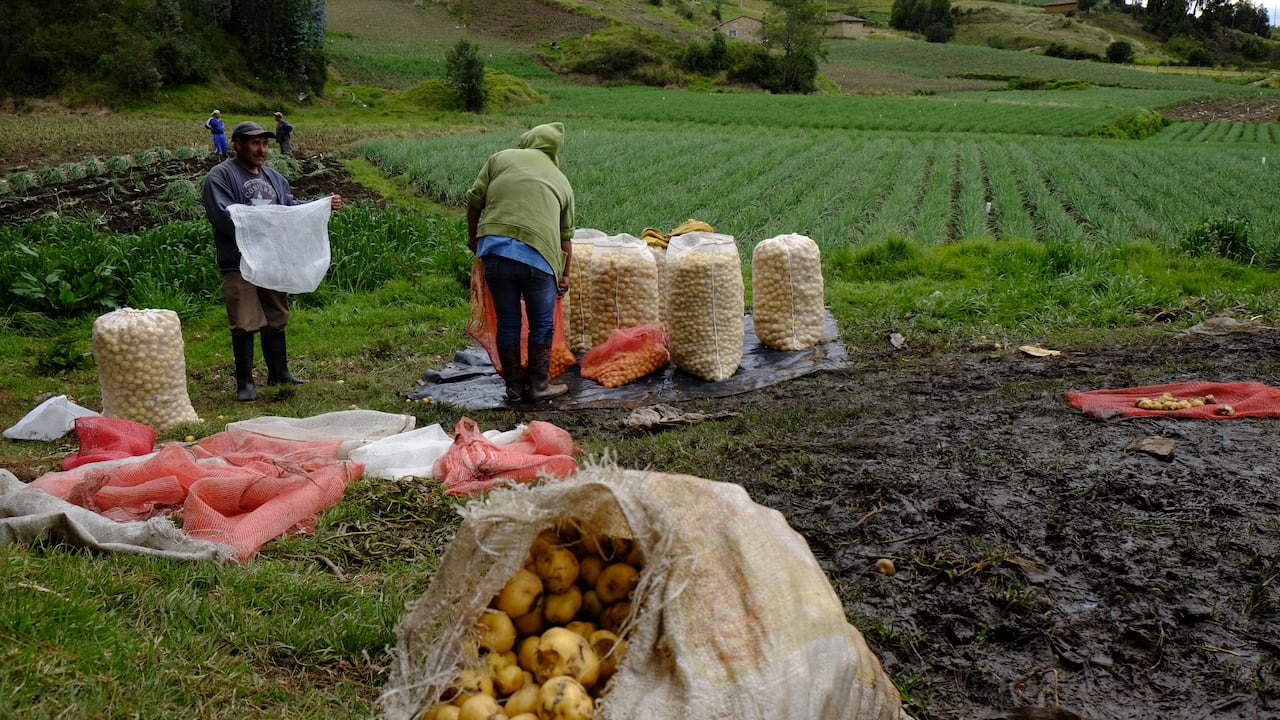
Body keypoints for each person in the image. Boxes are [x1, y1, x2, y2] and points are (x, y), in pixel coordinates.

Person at [201, 121, 342, 401]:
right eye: (254, 143)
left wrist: (320, 203)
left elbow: (288, 208)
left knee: (276, 316)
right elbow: (224, 216)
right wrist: (268, 225)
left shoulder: (274, 178)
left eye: (265, 144)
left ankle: (279, 373)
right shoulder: (221, 177)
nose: (261, 149)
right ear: (238, 144)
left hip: (273, 258)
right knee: (244, 320)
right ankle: (245, 383)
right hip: (239, 261)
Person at [466, 122, 575, 403]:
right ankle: (539, 386)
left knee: (508, 321)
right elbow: (565, 239)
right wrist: (565, 276)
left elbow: (474, 199)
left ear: (528, 141)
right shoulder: (561, 180)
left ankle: (514, 387)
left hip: (495, 252)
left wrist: (473, 237)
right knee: (541, 324)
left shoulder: (501, 158)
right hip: (539, 258)